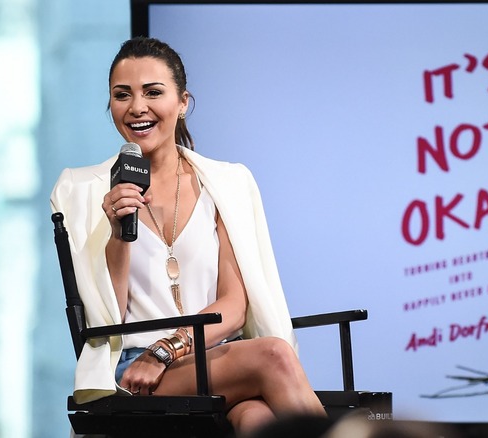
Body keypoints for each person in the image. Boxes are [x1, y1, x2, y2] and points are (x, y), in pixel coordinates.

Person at [50, 36, 326, 436]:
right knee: (273, 356)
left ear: (182, 103)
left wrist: (167, 350)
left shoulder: (226, 182)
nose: (137, 107)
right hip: (129, 365)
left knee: (257, 419)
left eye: (153, 92)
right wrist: (116, 233)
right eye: (121, 95)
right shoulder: (82, 188)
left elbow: (233, 305)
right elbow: (107, 313)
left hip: (204, 358)